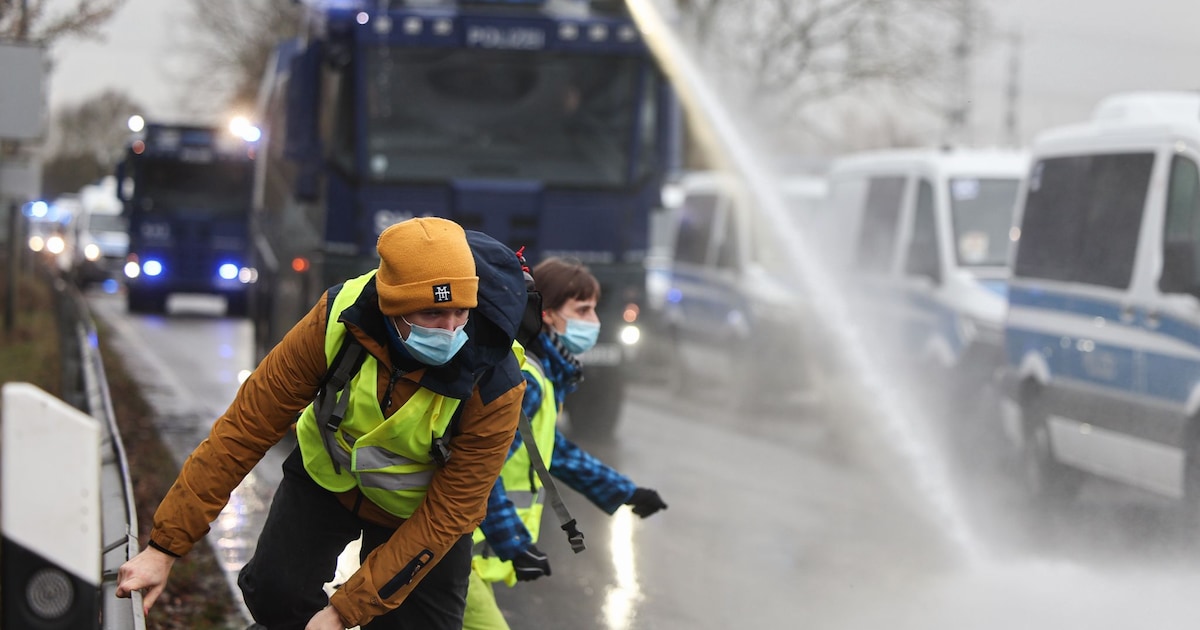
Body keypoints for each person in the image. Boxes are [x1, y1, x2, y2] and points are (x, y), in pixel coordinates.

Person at [116, 217, 530, 630]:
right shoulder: (336, 319)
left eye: (461, 312)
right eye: (432, 314)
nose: (451, 329)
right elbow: (245, 428)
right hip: (328, 481)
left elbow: (452, 512)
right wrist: (164, 548)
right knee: (275, 596)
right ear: (391, 305)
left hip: (421, 515)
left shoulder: (497, 381)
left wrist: (341, 612)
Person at [462, 257, 668, 630]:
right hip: (457, 547)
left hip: (466, 553)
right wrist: (514, 543)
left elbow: (553, 452)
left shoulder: (542, 375)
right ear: (547, 314)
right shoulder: (529, 382)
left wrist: (625, 493)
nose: (594, 321)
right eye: (583, 309)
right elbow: (478, 473)